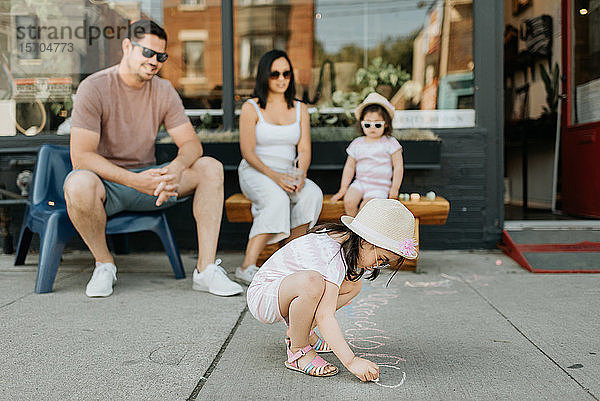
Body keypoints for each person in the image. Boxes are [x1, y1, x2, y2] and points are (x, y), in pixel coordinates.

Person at [64, 20, 243, 297]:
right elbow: (81, 156)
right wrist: (135, 181)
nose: (154, 62)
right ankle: (104, 264)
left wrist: (175, 168)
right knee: (77, 183)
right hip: (109, 184)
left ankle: (206, 270)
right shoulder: (94, 87)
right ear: (126, 46)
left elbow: (191, 144)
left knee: (210, 167)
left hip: (153, 182)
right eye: (148, 53)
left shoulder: (163, 90)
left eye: (161, 56)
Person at [247, 198, 418, 380]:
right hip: (264, 297)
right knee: (312, 282)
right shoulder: (331, 256)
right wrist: (351, 361)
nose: (377, 266)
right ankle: (298, 350)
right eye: (381, 260)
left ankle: (300, 332)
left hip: (281, 291)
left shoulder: (341, 241)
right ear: (367, 243)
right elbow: (324, 315)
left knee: (352, 285)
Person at [235, 50, 323, 285]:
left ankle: (288, 259)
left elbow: (304, 149)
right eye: (275, 74)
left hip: (289, 171)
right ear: (264, 75)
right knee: (277, 200)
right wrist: (275, 177)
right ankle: (247, 266)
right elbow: (248, 152)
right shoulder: (251, 108)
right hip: (257, 170)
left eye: (286, 73)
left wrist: (301, 173)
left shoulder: (299, 108)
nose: (282, 79)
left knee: (312, 194)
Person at [331, 92, 404, 216]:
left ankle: (363, 234)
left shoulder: (390, 143)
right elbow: (349, 167)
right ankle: (354, 232)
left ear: (386, 124)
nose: (372, 128)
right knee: (349, 201)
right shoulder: (357, 143)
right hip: (360, 183)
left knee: (367, 207)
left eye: (377, 124)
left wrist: (394, 188)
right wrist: (343, 188)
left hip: (380, 187)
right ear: (361, 123)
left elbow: (398, 167)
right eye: (367, 124)